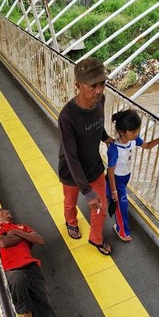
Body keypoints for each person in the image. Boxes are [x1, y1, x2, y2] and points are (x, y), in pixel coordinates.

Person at [57, 57, 114, 256]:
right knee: (70, 203)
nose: (99, 91)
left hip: (94, 166)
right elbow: (71, 156)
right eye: (92, 86)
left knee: (101, 206)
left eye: (102, 84)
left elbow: (98, 125)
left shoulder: (101, 101)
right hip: (72, 172)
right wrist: (87, 192)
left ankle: (95, 238)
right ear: (78, 85)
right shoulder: (68, 116)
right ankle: (71, 222)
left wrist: (105, 137)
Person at [107, 109, 159, 242]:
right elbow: (110, 171)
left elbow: (148, 146)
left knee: (119, 201)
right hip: (117, 180)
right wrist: (114, 190)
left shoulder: (134, 140)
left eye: (137, 130)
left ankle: (108, 194)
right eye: (133, 131)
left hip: (126, 176)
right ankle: (121, 230)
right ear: (122, 132)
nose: (136, 134)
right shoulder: (114, 149)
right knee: (122, 205)